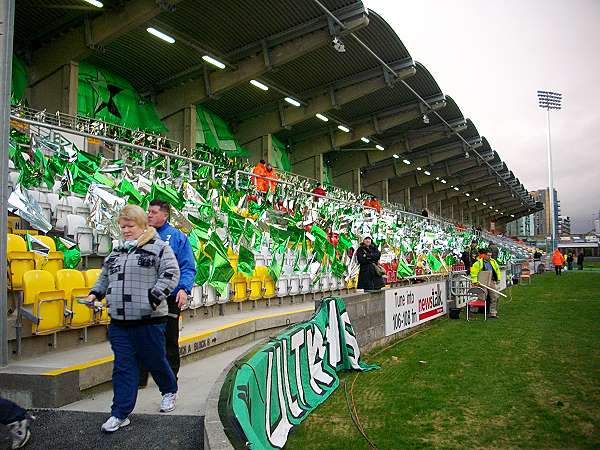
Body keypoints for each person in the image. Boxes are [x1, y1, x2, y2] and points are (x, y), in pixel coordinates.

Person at [88, 205, 180, 433]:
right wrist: (95, 293)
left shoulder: (160, 248)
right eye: (123, 227)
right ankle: (120, 413)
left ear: (142, 226)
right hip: (119, 322)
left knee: (155, 360)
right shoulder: (116, 252)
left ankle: (169, 389)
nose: (126, 231)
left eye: (130, 226)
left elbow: (171, 274)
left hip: (148, 320)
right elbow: (105, 276)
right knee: (123, 367)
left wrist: (153, 298)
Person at [139, 199, 197, 386]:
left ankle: (170, 378)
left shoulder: (178, 237)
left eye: (154, 212)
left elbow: (187, 267)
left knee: (169, 340)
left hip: (169, 298)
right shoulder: (139, 236)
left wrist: (183, 289)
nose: (149, 215)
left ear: (165, 215)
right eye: (148, 211)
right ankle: (140, 378)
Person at [470, 248, 502, 319]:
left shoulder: (493, 262)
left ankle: (493, 313)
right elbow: (474, 273)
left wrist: (498, 279)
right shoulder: (477, 263)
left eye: (490, 255)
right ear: (484, 255)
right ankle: (473, 310)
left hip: (491, 281)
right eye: (488, 255)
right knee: (482, 297)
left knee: (495, 296)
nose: (489, 257)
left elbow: (497, 270)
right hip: (481, 282)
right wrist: (475, 282)